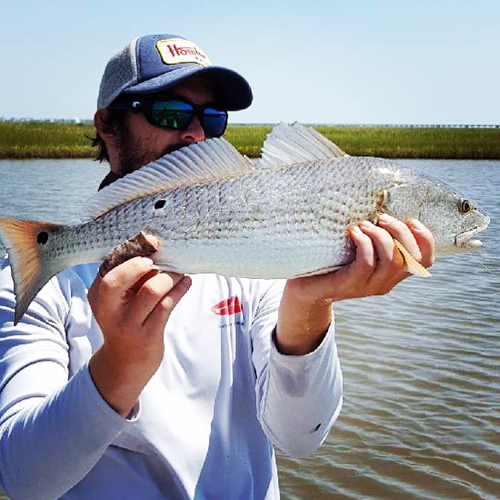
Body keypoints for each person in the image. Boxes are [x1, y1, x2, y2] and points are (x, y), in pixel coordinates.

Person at [0, 34, 435, 500]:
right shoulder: (40, 278)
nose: (194, 134)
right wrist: (119, 366)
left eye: (212, 118)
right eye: (168, 112)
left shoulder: (264, 257)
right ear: (107, 125)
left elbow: (300, 439)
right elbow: (22, 478)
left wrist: (309, 303)